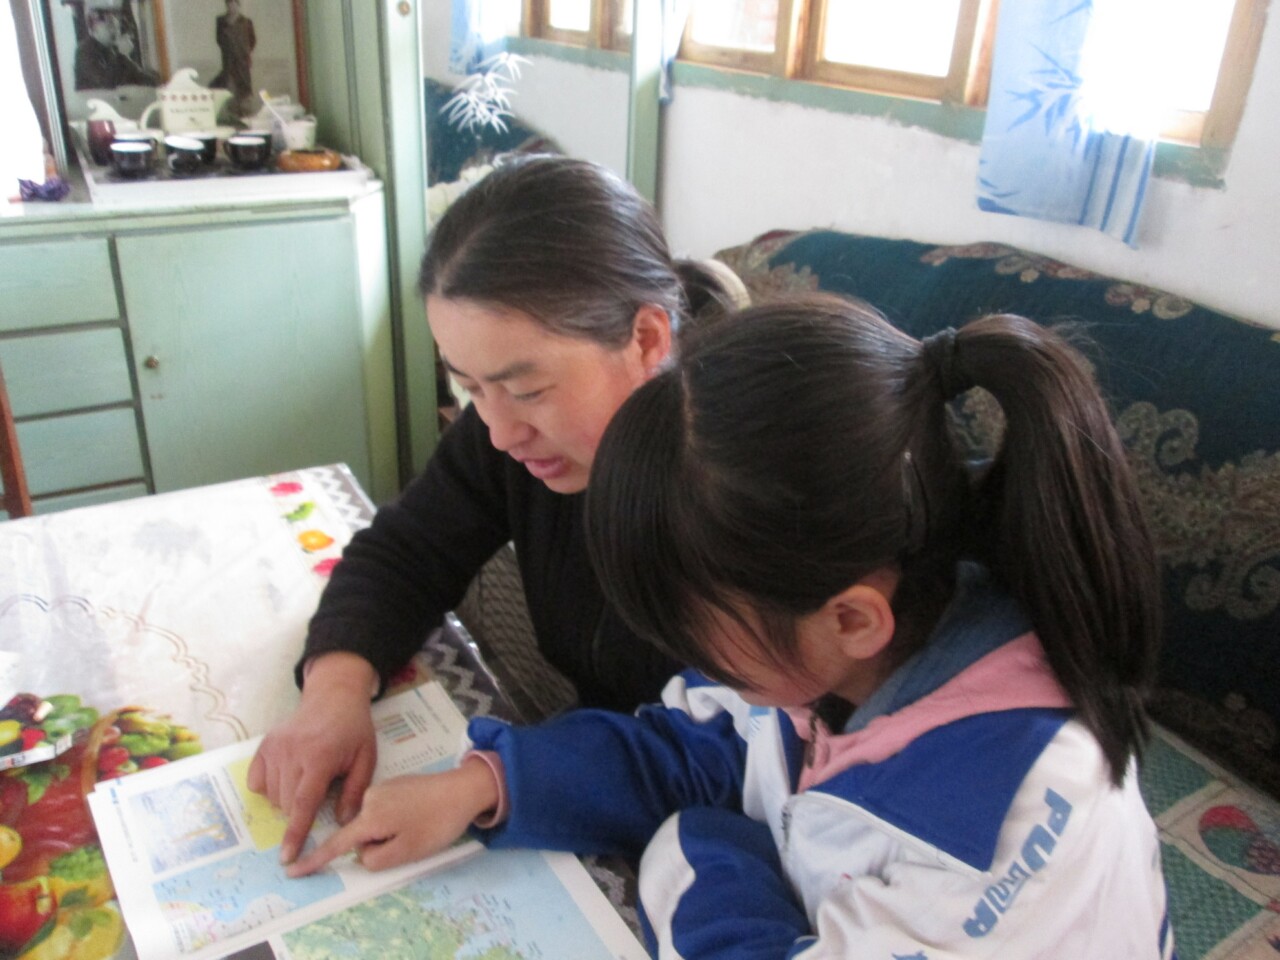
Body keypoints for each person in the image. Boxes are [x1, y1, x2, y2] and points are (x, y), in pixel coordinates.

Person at [288, 295, 1174, 958]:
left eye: (695, 630)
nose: (685, 657)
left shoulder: (1000, 823)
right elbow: (691, 746)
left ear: (852, 619)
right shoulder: (827, 646)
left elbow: (704, 818)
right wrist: (484, 784)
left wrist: (691, 851)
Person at [248, 155, 744, 865]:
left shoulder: (736, 485)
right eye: (469, 387)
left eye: (528, 390)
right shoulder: (512, 435)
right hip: (590, 767)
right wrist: (335, 689)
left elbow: (723, 749)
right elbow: (410, 549)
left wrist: (483, 785)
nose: (501, 432)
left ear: (646, 340)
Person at [73, 10, 159, 90]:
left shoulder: (113, 50)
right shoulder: (84, 51)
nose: (115, 31)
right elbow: (105, 84)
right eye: (110, 25)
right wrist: (120, 52)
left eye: (116, 26)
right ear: (95, 28)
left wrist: (155, 80)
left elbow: (137, 75)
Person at [210, 0, 256, 115]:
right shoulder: (221, 21)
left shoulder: (246, 22)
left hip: (242, 62)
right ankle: (232, 114)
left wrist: (243, 52)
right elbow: (219, 39)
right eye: (229, 4)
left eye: (234, 4)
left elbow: (252, 41)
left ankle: (244, 113)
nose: (232, 7)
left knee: (244, 91)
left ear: (238, 5)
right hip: (228, 62)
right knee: (229, 89)